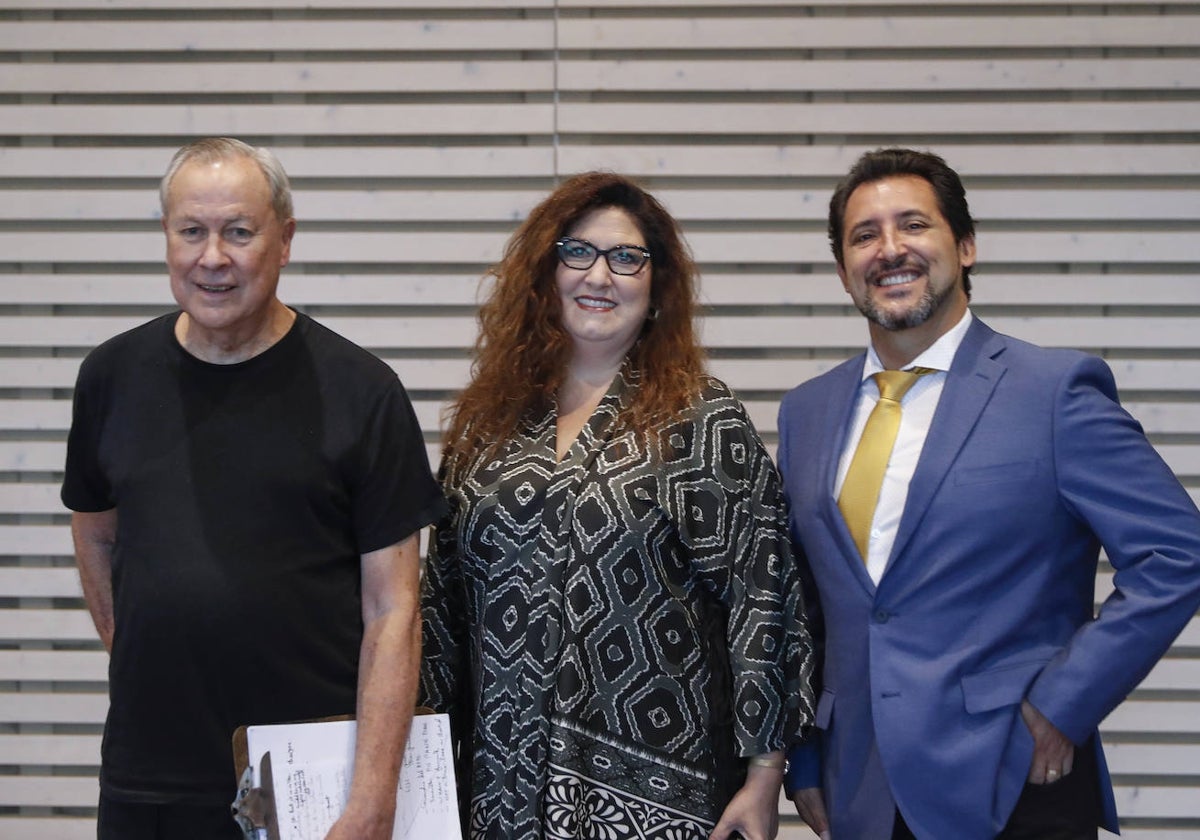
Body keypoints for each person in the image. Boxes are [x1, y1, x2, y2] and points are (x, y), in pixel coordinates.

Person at [776, 146, 1200, 839]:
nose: (890, 250)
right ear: (843, 268)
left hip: (1015, 780)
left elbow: (1177, 554)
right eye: (864, 235)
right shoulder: (806, 414)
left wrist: (1062, 704)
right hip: (862, 791)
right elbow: (806, 607)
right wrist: (805, 758)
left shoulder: (1053, 393)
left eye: (913, 225)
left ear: (966, 245)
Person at [61, 137, 446, 840]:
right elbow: (96, 530)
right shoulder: (111, 377)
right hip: (151, 778)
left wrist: (370, 798)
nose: (214, 257)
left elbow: (396, 609)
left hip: (310, 780)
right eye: (192, 232)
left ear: (285, 239)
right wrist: (141, 651)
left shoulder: (363, 393)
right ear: (167, 238)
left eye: (239, 231)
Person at [419, 171, 814, 840]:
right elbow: (442, 609)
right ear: (545, 273)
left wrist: (765, 773)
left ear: (656, 286)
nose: (600, 275)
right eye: (578, 252)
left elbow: (762, 598)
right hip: (499, 788)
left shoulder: (701, 418)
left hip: (663, 790)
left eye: (627, 258)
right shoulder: (486, 426)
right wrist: (420, 765)